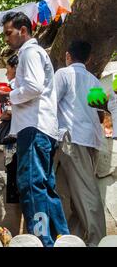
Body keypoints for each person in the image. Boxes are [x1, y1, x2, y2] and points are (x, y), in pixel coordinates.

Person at [0, 12, 69, 246]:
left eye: (8, 33)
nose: (6, 38)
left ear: (23, 30)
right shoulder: (36, 53)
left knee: (31, 185)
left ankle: (41, 239)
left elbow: (34, 87)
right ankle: (63, 238)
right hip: (43, 128)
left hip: (34, 128)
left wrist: (9, 94)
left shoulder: (29, 51)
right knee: (46, 186)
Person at [54, 40, 106, 246]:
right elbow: (101, 116)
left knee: (86, 193)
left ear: (68, 56)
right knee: (77, 196)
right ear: (89, 58)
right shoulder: (94, 81)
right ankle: (74, 240)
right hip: (91, 139)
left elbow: (50, 104)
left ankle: (98, 240)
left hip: (72, 139)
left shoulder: (63, 74)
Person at [2, 54, 20, 204]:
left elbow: (9, 111)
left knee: (19, 188)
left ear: (15, 68)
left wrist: (2, 115)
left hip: (15, 144)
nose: (6, 72)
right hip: (19, 140)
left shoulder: (13, 86)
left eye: (7, 67)